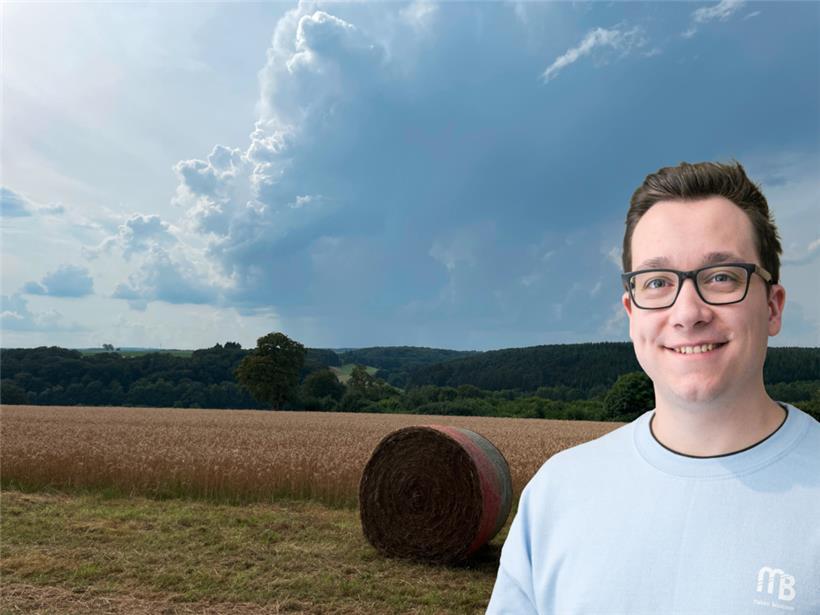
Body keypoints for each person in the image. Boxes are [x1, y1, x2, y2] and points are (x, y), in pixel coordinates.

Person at [486, 161, 820, 614]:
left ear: (773, 307)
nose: (687, 312)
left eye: (721, 276)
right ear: (631, 312)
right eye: (658, 282)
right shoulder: (558, 493)